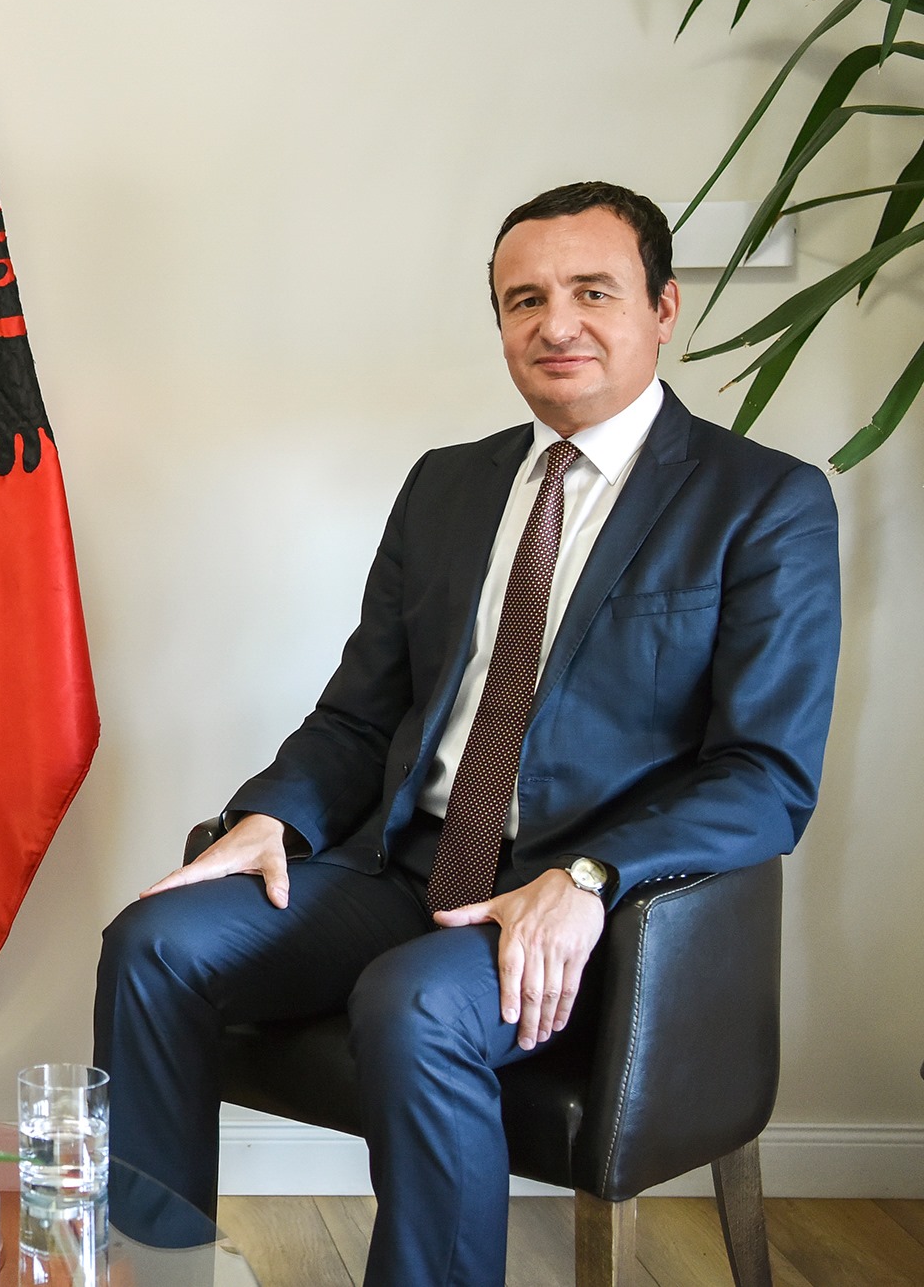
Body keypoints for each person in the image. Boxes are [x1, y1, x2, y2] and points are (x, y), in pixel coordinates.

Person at [93, 182, 841, 1286]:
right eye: (523, 299)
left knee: (413, 1003)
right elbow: (361, 712)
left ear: (663, 307)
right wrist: (271, 817)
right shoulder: (447, 485)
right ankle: (154, 1273)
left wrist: (589, 876)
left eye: (592, 292)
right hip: (409, 870)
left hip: (603, 915)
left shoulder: (761, 501)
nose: (556, 324)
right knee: (153, 943)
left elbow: (765, 776)